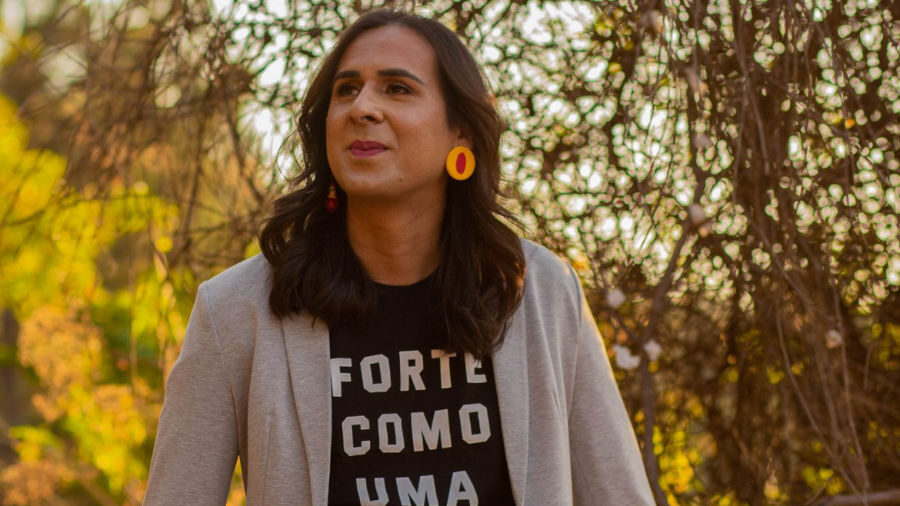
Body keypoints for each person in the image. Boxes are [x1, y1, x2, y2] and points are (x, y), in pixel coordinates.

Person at [144, 8, 653, 506]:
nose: (361, 107)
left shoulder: (540, 292)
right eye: (346, 89)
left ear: (461, 133)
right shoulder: (237, 309)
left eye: (397, 88)